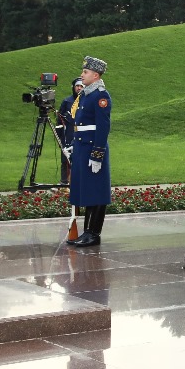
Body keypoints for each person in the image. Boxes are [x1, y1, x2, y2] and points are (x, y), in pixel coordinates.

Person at [69, 56, 112, 247]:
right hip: (82, 147)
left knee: (96, 191)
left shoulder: (100, 96)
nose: (82, 74)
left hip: (92, 149)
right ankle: (87, 232)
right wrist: (73, 144)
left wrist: (97, 154)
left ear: (95, 75)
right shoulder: (86, 94)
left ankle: (93, 233)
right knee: (86, 191)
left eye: (85, 72)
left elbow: (103, 127)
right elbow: (80, 124)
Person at [57, 77, 84, 184]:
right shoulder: (67, 101)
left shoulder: (86, 100)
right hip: (67, 133)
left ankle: (78, 181)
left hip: (80, 132)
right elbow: (59, 119)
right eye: (77, 86)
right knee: (65, 158)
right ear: (73, 87)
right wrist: (59, 136)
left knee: (79, 158)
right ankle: (64, 181)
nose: (79, 88)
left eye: (81, 86)